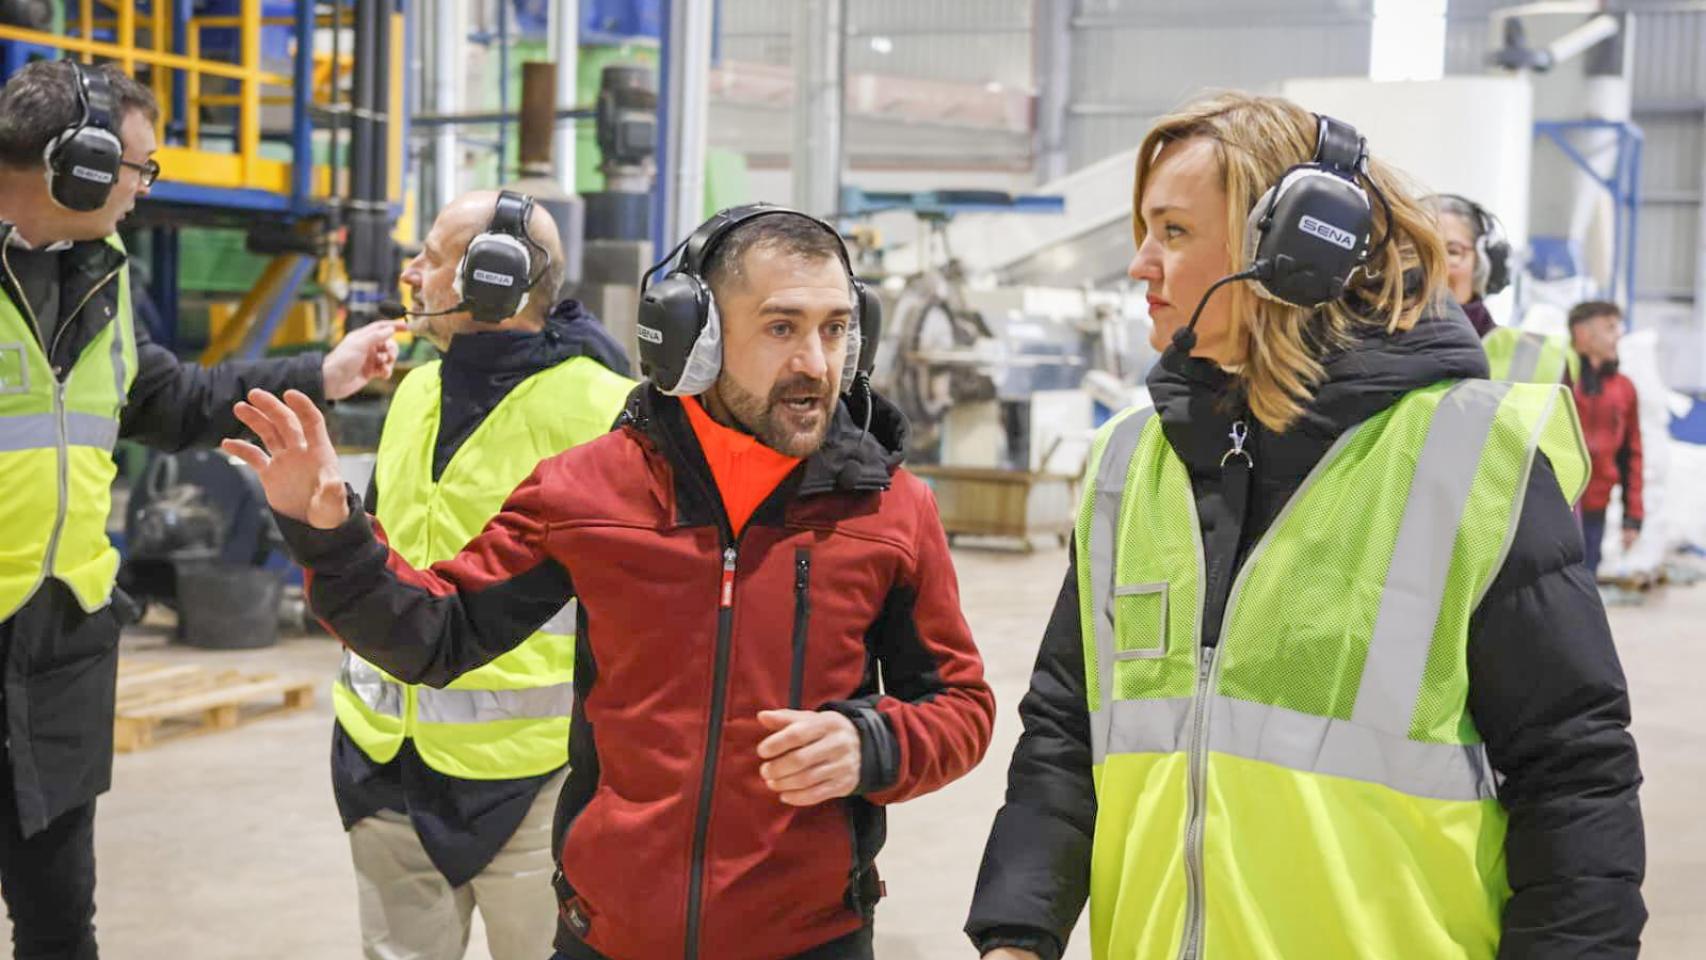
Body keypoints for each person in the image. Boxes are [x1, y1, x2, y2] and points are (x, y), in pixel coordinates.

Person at [966, 93, 1644, 960]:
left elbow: (1575, 780)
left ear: (1291, 253)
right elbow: (1066, 731)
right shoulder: (1128, 463)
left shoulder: (1468, 459)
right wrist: (1018, 931)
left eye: (1172, 232)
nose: (1140, 265)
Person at [225, 205, 995, 960]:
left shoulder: (892, 510)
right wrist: (330, 534)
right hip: (611, 938)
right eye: (782, 327)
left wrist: (878, 742)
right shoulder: (591, 491)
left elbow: (961, 705)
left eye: (835, 330)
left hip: (811, 939)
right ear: (693, 336)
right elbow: (439, 633)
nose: (817, 366)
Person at [0, 59, 401, 959]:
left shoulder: (97, 277)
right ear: (83, 162)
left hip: (60, 638)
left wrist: (321, 376)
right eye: (140, 167)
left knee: (59, 921)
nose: (144, 190)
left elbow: (170, 400)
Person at [334, 189, 636, 960]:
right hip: (385, 767)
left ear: (493, 278)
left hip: (537, 785)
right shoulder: (415, 390)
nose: (411, 273)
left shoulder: (608, 413)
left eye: (431, 258)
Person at [1431, 193, 1572, 384]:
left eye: (1452, 252)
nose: (1432, 267)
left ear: (1484, 266)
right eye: (1411, 251)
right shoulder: (1380, 351)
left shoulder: (1539, 360)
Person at [1568, 300, 1643, 577]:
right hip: (1558, 507)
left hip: (1595, 510)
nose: (1618, 335)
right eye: (1610, 327)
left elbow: (1631, 454)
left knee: (1587, 582)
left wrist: (1632, 516)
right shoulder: (1560, 379)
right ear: (1583, 334)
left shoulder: (1623, 389)